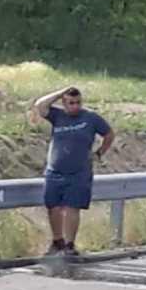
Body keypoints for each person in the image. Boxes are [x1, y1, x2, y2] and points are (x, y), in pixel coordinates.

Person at [33, 86, 115, 256]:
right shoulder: (57, 116)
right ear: (64, 103)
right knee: (53, 206)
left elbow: (109, 134)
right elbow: (40, 105)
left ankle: (70, 245)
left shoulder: (90, 118)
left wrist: (99, 153)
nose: (75, 106)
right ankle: (57, 241)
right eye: (71, 103)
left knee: (73, 207)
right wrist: (60, 92)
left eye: (78, 102)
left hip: (79, 172)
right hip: (55, 171)